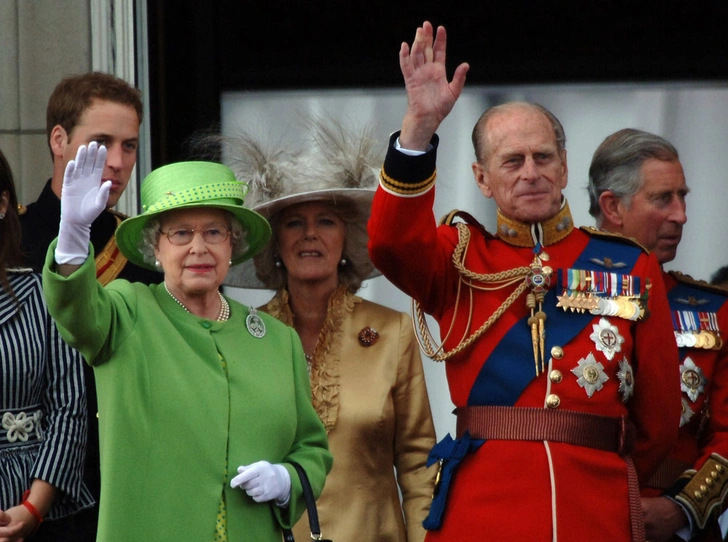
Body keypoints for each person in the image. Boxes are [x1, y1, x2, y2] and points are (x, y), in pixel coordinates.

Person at [367, 21, 681, 541]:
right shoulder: (456, 260)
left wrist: (602, 470)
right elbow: (388, 243)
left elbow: (658, 421)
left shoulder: (629, 267)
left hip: (594, 509)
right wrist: (418, 129)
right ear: (482, 178)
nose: (530, 172)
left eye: (543, 158)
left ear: (563, 168)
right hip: (484, 513)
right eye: (511, 161)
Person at [41, 142, 332, 541]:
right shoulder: (127, 312)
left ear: (233, 244)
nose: (199, 247)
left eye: (214, 232)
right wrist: (73, 236)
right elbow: (75, 312)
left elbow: (312, 449)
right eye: (181, 233)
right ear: (155, 248)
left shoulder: (277, 341)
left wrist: (287, 481)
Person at [223, 121, 438, 542]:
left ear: (348, 239)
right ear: (274, 244)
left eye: (326, 221)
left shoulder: (392, 332)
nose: (310, 235)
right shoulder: (244, 336)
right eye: (293, 223)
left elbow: (418, 463)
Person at [19, 71, 161, 541]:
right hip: (21, 493)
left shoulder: (147, 252)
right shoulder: (10, 243)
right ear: (59, 140)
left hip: (124, 490)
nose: (118, 162)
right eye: (102, 143)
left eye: (130, 146)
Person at [589, 127, 728, 542]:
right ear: (612, 206)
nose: (681, 214)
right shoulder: (552, 295)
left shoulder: (715, 312)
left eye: (682, 196)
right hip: (576, 512)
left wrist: (682, 507)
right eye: (663, 198)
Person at [0, 149, 92, 541]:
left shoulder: (40, 293)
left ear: (3, 204)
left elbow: (70, 406)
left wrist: (35, 507)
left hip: (36, 505)